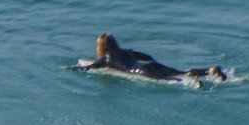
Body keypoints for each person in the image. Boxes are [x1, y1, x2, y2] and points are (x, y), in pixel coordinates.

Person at [75, 33, 228, 87]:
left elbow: (90, 67)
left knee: (174, 79)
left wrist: (71, 68)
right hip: (150, 65)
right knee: (182, 72)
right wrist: (153, 61)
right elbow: (147, 57)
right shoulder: (127, 52)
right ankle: (209, 71)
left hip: (141, 71)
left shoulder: (107, 58)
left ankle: (194, 83)